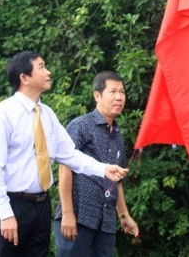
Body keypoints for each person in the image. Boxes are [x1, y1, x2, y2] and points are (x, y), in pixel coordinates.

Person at [0, 51, 128, 256]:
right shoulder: (1, 115)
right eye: (41, 67)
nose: (48, 72)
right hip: (12, 204)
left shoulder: (47, 114)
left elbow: (70, 154)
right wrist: (5, 214)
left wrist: (103, 169)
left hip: (41, 206)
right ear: (24, 78)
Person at [54, 71, 139, 256]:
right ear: (97, 95)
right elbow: (64, 167)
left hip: (106, 221)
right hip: (78, 217)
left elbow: (117, 181)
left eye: (122, 92)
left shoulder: (118, 135)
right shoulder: (81, 125)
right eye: (113, 91)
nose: (119, 97)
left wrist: (124, 216)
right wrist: (67, 213)